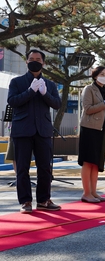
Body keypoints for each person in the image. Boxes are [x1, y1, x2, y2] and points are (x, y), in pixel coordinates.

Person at [7, 49, 62, 213]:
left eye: (38, 59)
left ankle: (44, 200)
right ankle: (25, 201)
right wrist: (30, 91)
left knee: (45, 167)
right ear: (27, 61)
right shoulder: (17, 82)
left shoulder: (50, 84)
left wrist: (45, 93)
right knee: (22, 168)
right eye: (31, 59)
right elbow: (12, 101)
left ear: (43, 62)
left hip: (43, 130)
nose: (35, 61)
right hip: (22, 130)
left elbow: (57, 104)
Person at [78, 66, 105, 203]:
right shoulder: (89, 89)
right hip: (89, 128)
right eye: (102, 74)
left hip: (101, 129)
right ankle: (86, 193)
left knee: (96, 163)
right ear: (95, 76)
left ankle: (94, 192)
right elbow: (88, 108)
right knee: (88, 161)